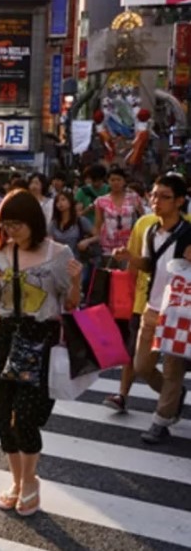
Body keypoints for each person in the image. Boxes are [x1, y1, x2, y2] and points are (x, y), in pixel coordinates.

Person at [0, 189, 82, 518]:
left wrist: (76, 281)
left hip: (41, 335)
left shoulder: (57, 252)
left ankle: (30, 482)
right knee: (3, 411)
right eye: (6, 224)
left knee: (25, 415)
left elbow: (70, 304)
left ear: (34, 222)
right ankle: (16, 482)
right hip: (7, 334)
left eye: (18, 225)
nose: (12, 231)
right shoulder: (1, 249)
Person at [113, 174, 191, 443]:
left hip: (179, 312)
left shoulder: (189, 233)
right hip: (151, 306)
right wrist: (130, 259)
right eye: (154, 195)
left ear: (180, 201)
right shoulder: (149, 229)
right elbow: (149, 264)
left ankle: (161, 419)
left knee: (173, 369)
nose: (156, 201)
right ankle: (175, 396)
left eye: (164, 197)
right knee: (142, 365)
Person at [48, 191, 97, 259]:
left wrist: (87, 241)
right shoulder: (54, 223)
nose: (60, 203)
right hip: (58, 260)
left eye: (63, 199)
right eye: (57, 201)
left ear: (70, 202)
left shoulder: (80, 221)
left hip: (77, 260)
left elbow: (98, 236)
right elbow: (47, 239)